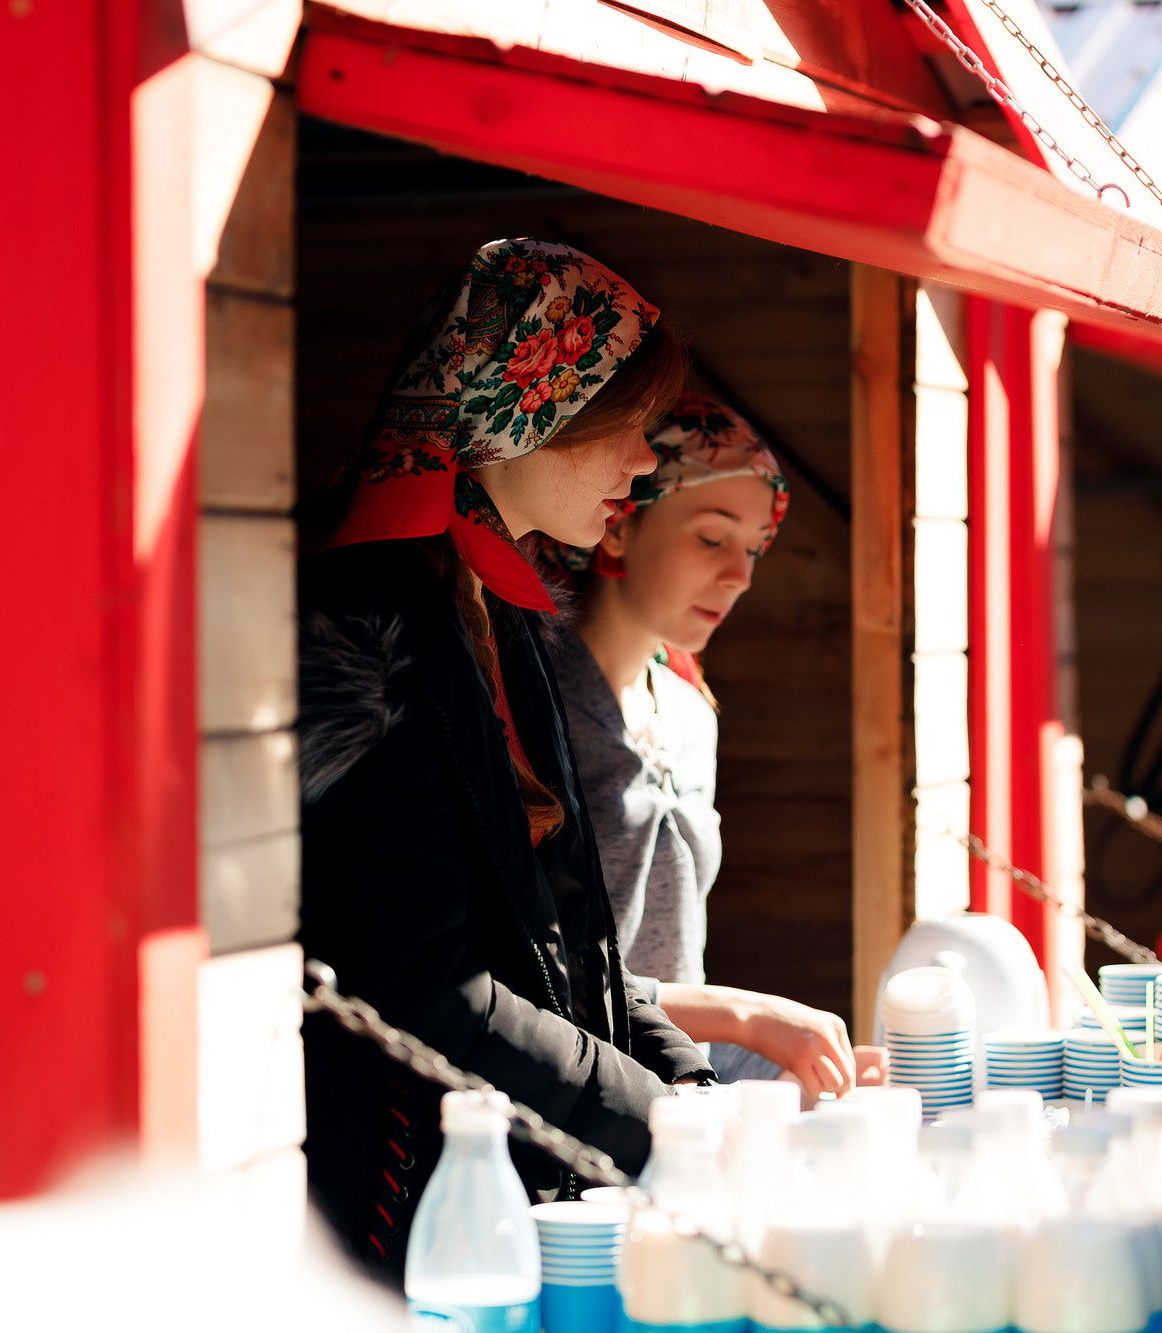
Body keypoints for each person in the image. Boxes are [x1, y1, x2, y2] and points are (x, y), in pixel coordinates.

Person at [294, 239, 712, 1278]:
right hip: (411, 1214)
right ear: (525, 403)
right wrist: (658, 1120)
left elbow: (564, 939)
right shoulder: (369, 621)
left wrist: (687, 1088)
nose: (644, 462)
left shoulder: (498, 598)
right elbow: (418, 982)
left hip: (507, 1180)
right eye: (622, 421)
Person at [543, 393, 857, 1099]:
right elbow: (535, 976)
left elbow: (684, 1003)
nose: (741, 576)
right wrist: (749, 1019)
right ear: (617, 524)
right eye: (712, 538)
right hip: (570, 1105)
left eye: (754, 547)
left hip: (683, 1101)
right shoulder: (531, 707)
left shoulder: (690, 716)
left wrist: (795, 1073)